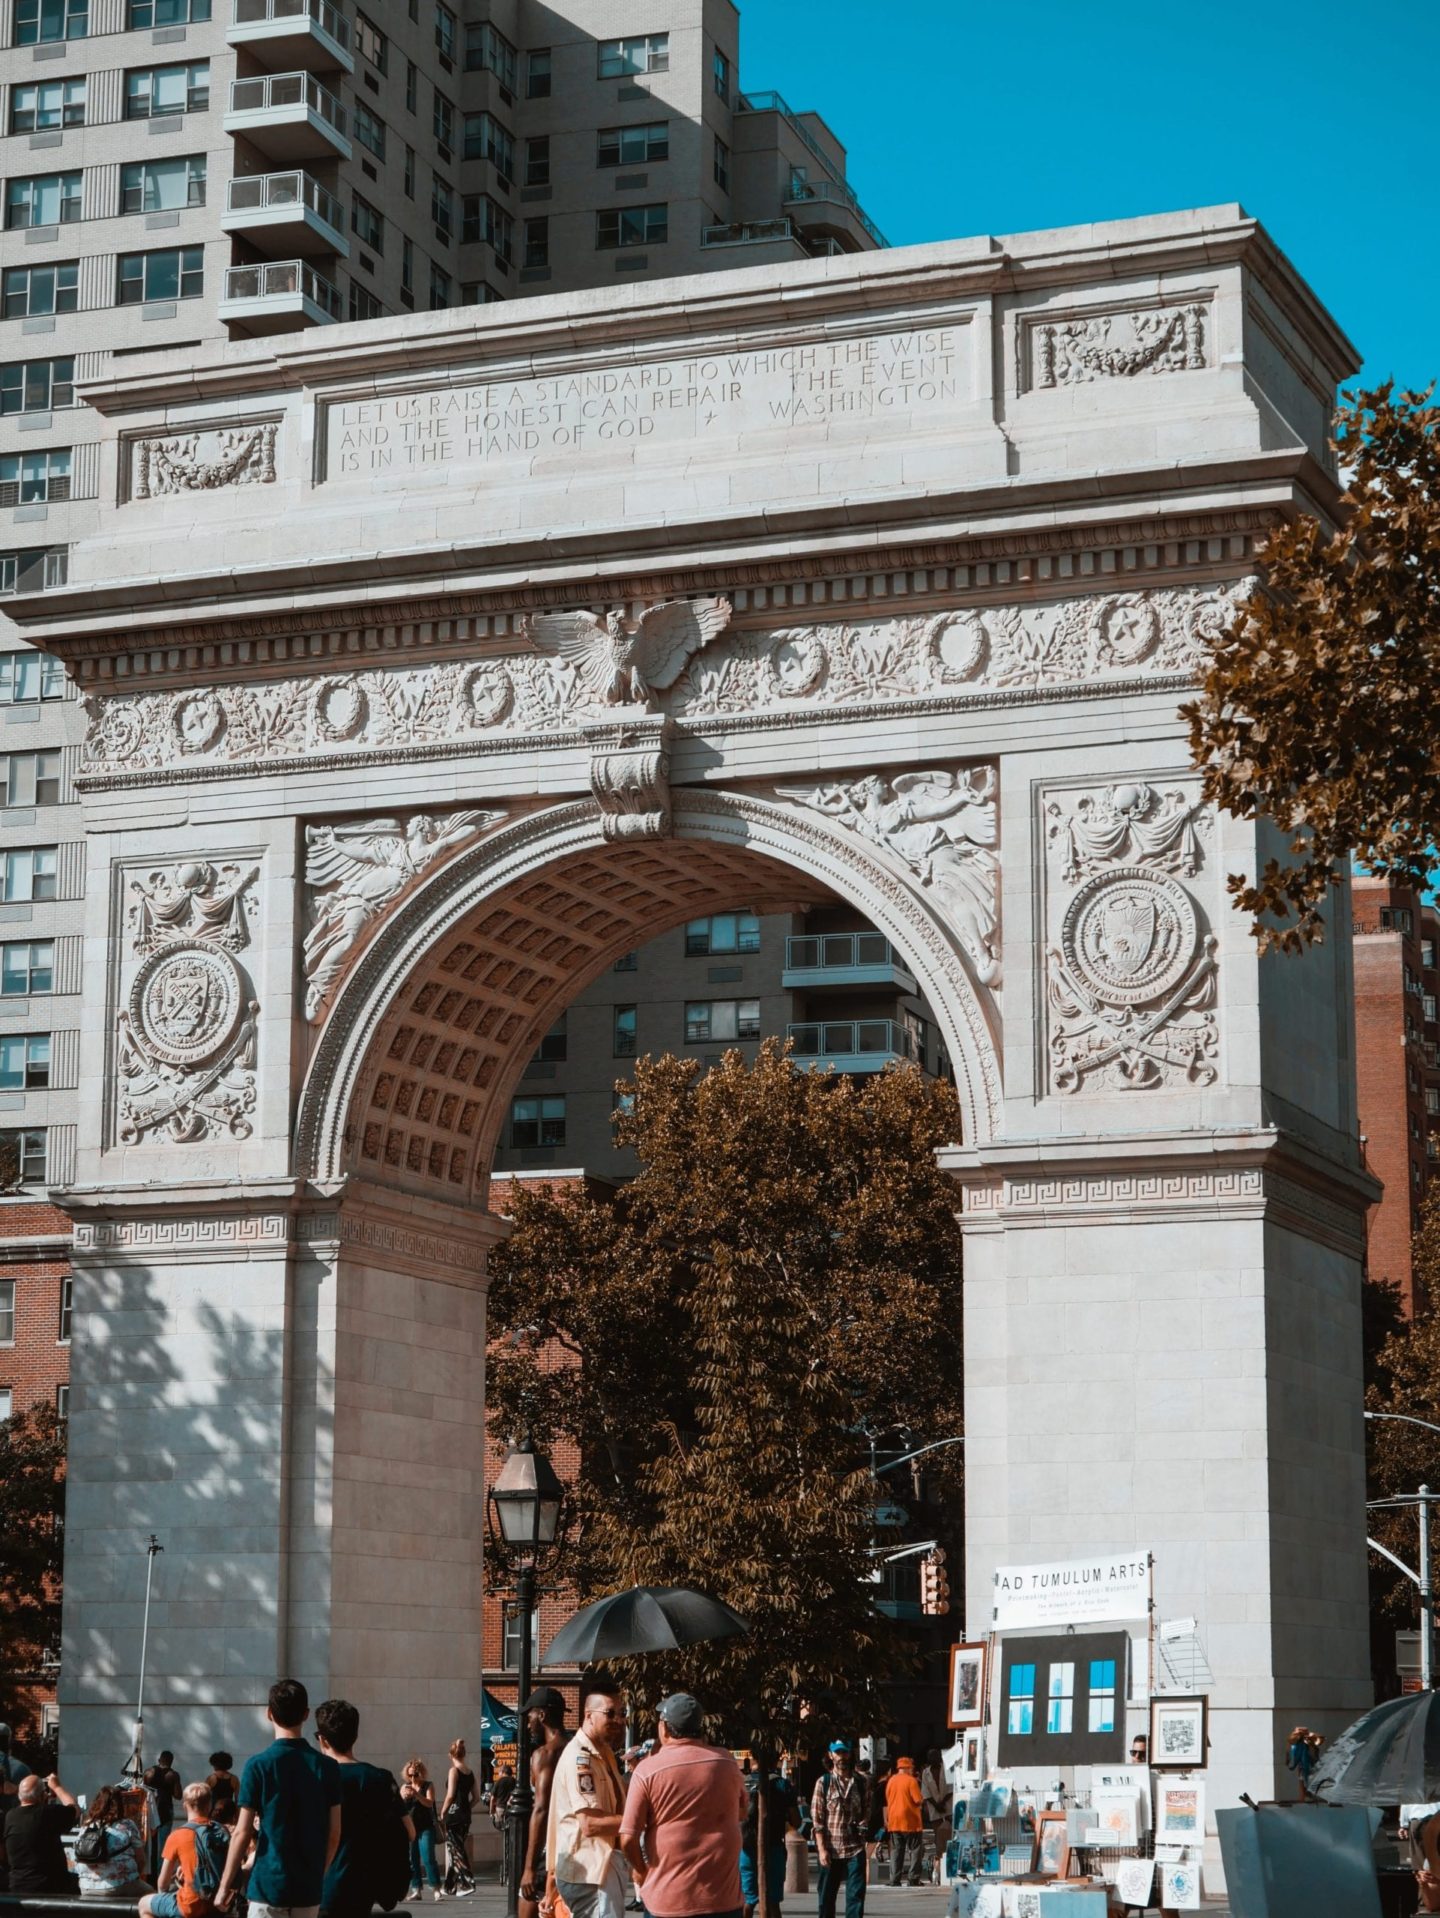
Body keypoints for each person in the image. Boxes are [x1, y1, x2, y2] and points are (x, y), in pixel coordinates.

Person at [215, 1677, 343, 1916]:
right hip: (307, 1887)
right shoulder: (327, 1767)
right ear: (306, 1714)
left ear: (269, 1714)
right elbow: (334, 1833)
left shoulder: (258, 1766)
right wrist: (318, 1873)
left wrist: (224, 1886)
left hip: (268, 1883)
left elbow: (242, 1832)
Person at [620, 1694, 746, 1918]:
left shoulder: (647, 1770)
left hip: (668, 1901)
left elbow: (628, 1837)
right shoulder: (727, 1763)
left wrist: (641, 1871)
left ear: (665, 1729)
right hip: (723, 1900)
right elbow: (742, 1812)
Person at [314, 1697, 414, 1918]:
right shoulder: (380, 1778)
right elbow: (409, 1831)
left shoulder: (317, 1777)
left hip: (322, 1888)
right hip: (365, 1887)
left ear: (323, 1740)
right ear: (355, 1736)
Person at [547, 1680, 628, 1918]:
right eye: (609, 1713)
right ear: (589, 1715)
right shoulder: (579, 1759)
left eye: (621, 1713)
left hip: (600, 1868)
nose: (617, 1720)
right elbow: (590, 1824)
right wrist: (639, 1820)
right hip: (590, 1871)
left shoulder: (603, 1753)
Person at [140, 1781, 232, 1918]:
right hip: (219, 1902)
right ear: (210, 1805)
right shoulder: (222, 1830)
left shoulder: (178, 1835)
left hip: (191, 1905)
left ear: (184, 1806)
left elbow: (163, 1882)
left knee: (144, 1904)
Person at [518, 1685, 571, 1918]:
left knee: (528, 1904)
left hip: (548, 1850)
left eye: (530, 1716)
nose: (528, 1723)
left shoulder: (545, 1754)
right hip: (573, 1846)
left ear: (542, 1715)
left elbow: (541, 1809)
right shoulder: (576, 1748)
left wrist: (529, 1867)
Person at [810, 1743, 869, 1918]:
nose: (842, 1756)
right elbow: (817, 1819)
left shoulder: (861, 1782)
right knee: (826, 1899)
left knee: (856, 1898)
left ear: (850, 1754)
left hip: (855, 1847)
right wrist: (821, 1849)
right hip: (830, 1848)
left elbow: (867, 1810)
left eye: (845, 1752)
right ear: (830, 1755)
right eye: (838, 1752)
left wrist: (864, 1822)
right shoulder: (823, 1782)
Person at [2, 1772, 78, 1892]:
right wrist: (57, 1787)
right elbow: (75, 1809)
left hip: (18, 1884)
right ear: (43, 1795)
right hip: (50, 1886)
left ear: (19, 1796)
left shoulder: (10, 1816)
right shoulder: (48, 1814)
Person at [740, 1762, 797, 1918]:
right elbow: (796, 1821)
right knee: (773, 1901)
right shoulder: (782, 1784)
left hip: (746, 1847)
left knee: (748, 1900)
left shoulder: (742, 1781)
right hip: (774, 1846)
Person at [73, 1783, 150, 1898]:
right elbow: (141, 1859)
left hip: (86, 1887)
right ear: (119, 1804)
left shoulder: (87, 1825)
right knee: (152, 1897)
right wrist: (132, 1877)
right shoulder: (127, 1825)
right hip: (119, 1885)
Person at [439, 1738, 477, 1898]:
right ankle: (449, 1885)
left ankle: (467, 1882)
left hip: (453, 1815)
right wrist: (466, 1807)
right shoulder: (470, 1772)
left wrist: (442, 1812)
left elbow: (450, 1795)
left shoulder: (453, 1771)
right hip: (465, 1815)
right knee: (455, 1847)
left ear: (450, 1755)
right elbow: (476, 1798)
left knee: (455, 1849)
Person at [401, 1757, 442, 1901]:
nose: (413, 1777)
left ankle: (436, 1888)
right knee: (413, 1859)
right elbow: (400, 1807)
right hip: (410, 1827)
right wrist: (404, 1796)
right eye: (410, 1774)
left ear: (421, 1773)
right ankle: (416, 1889)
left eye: (415, 1774)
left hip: (426, 1827)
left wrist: (417, 1794)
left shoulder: (428, 1786)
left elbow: (429, 1803)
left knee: (429, 1858)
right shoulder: (405, 1787)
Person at [883, 1757, 924, 1887]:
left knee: (896, 1851)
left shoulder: (891, 1781)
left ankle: (894, 1879)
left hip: (894, 1821)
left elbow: (888, 1800)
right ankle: (913, 1878)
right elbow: (918, 1800)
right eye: (911, 1767)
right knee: (915, 1849)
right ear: (907, 1767)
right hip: (910, 1821)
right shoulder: (912, 1781)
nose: (912, 1770)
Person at [146, 1752, 184, 1876]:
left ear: (159, 1760)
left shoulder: (149, 1772)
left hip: (151, 1811)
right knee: (163, 1846)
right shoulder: (173, 1775)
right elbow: (178, 1795)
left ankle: (149, 1873)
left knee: (150, 1844)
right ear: (171, 1761)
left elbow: (142, 1788)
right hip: (165, 1811)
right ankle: (160, 1874)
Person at [919, 1751, 949, 1887]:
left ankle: (949, 1866)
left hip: (948, 1807)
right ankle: (939, 1871)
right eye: (930, 1758)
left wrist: (943, 1802)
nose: (933, 1760)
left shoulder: (948, 1768)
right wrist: (936, 1805)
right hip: (935, 1810)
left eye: (935, 1757)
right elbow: (925, 1792)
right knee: (939, 1840)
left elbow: (951, 1787)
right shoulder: (925, 1773)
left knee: (950, 1837)